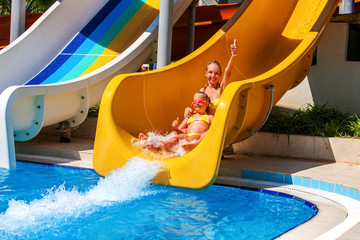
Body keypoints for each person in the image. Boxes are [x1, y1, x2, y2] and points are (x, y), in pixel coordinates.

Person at [138, 91, 213, 154]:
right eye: (194, 101)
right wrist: (175, 126)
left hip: (197, 137)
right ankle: (159, 146)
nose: (197, 103)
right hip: (187, 135)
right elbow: (178, 130)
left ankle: (170, 151)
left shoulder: (209, 117)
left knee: (185, 141)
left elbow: (214, 128)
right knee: (175, 138)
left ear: (206, 103)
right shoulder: (190, 117)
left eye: (200, 101)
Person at [185, 39, 237, 117]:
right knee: (179, 129)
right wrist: (187, 109)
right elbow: (195, 109)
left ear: (220, 75)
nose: (213, 76)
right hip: (203, 123)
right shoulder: (202, 91)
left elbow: (228, 72)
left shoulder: (221, 89)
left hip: (215, 125)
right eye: (210, 72)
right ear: (206, 73)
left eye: (216, 73)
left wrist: (233, 55)